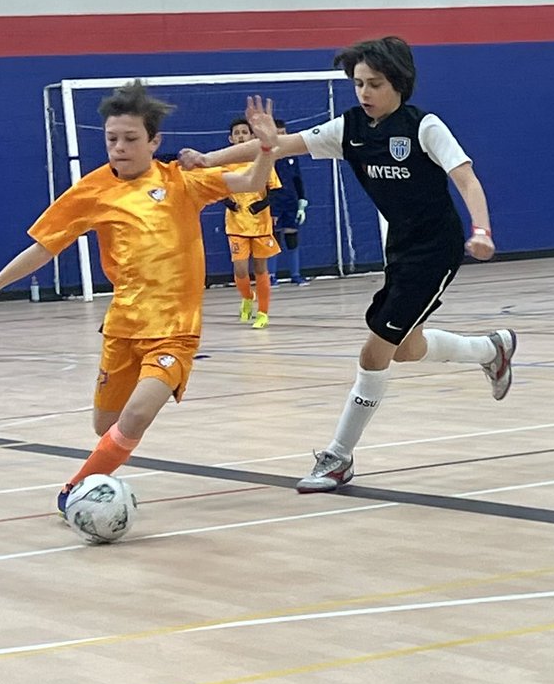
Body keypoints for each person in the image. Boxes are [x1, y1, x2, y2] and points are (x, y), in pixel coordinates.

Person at [180, 36, 517, 492]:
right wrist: (205, 160)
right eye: (358, 83)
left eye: (373, 83)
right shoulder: (351, 128)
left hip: (434, 250)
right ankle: (490, 349)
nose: (363, 92)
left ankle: (338, 458)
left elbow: (465, 177)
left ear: (397, 83)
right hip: (399, 248)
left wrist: (482, 230)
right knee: (406, 348)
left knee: (373, 352)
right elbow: (278, 145)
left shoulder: (424, 126)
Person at [0, 85, 281, 515]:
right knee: (105, 426)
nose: (120, 147)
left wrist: (265, 146)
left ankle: (74, 492)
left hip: (174, 331)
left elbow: (251, 180)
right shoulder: (92, 192)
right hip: (123, 326)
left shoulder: (180, 181)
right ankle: (99, 476)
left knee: (135, 418)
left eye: (131, 139)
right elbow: (43, 246)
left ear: (154, 142)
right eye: (112, 139)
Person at [220, 116, 281, 329]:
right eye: (236, 133)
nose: (240, 136)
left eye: (244, 132)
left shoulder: (262, 159)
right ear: (230, 138)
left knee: (260, 268)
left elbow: (275, 189)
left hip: (260, 224)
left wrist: (262, 204)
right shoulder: (225, 162)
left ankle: (263, 312)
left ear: (252, 136)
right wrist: (228, 201)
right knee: (240, 269)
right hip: (236, 223)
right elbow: (215, 188)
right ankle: (247, 296)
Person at [266, 118, 310, 286]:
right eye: (277, 134)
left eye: (283, 133)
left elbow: (297, 178)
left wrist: (302, 200)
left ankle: (296, 274)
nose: (281, 136)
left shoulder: (291, 154)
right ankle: (271, 275)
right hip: (274, 201)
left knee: (292, 235)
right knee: (274, 236)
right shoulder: (266, 155)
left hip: (291, 200)